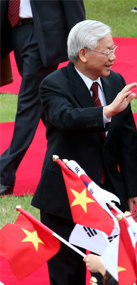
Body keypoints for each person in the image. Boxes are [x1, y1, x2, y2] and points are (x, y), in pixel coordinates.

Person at [31, 20, 137, 285]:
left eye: (113, 49)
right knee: (67, 272)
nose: (114, 57)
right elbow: (64, 117)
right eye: (107, 51)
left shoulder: (114, 81)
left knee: (109, 268)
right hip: (66, 197)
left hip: (107, 195)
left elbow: (127, 140)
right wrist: (106, 111)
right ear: (84, 54)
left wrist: (133, 190)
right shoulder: (53, 84)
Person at [0, 0, 85, 196]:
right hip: (17, 31)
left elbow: (73, 6)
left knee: (28, 104)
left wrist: (81, 42)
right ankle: (78, 155)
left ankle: (4, 173)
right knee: (46, 106)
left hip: (45, 35)